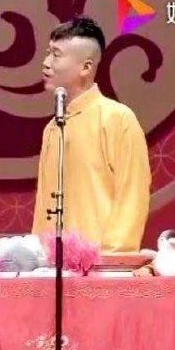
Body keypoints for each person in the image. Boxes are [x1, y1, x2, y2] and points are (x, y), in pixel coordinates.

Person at [34, 16, 150, 252]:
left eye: (56, 55)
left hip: (101, 264)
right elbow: (43, 206)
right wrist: (38, 255)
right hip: (54, 265)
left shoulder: (117, 119)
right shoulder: (53, 129)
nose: (46, 63)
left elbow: (132, 197)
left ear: (86, 67)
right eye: (48, 53)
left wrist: (110, 256)